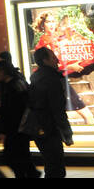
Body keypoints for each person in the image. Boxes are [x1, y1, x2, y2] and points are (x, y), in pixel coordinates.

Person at [27, 45, 73, 178]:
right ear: (45, 60)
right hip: (50, 127)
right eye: (53, 57)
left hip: (39, 127)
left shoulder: (36, 78)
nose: (57, 60)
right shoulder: (51, 80)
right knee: (56, 167)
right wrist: (67, 132)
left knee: (51, 164)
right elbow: (57, 108)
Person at [0, 58, 39, 178]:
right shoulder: (14, 84)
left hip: (17, 127)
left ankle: (30, 173)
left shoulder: (13, 86)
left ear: (3, 71)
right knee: (21, 155)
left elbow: (14, 108)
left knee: (12, 155)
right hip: (17, 127)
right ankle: (31, 173)